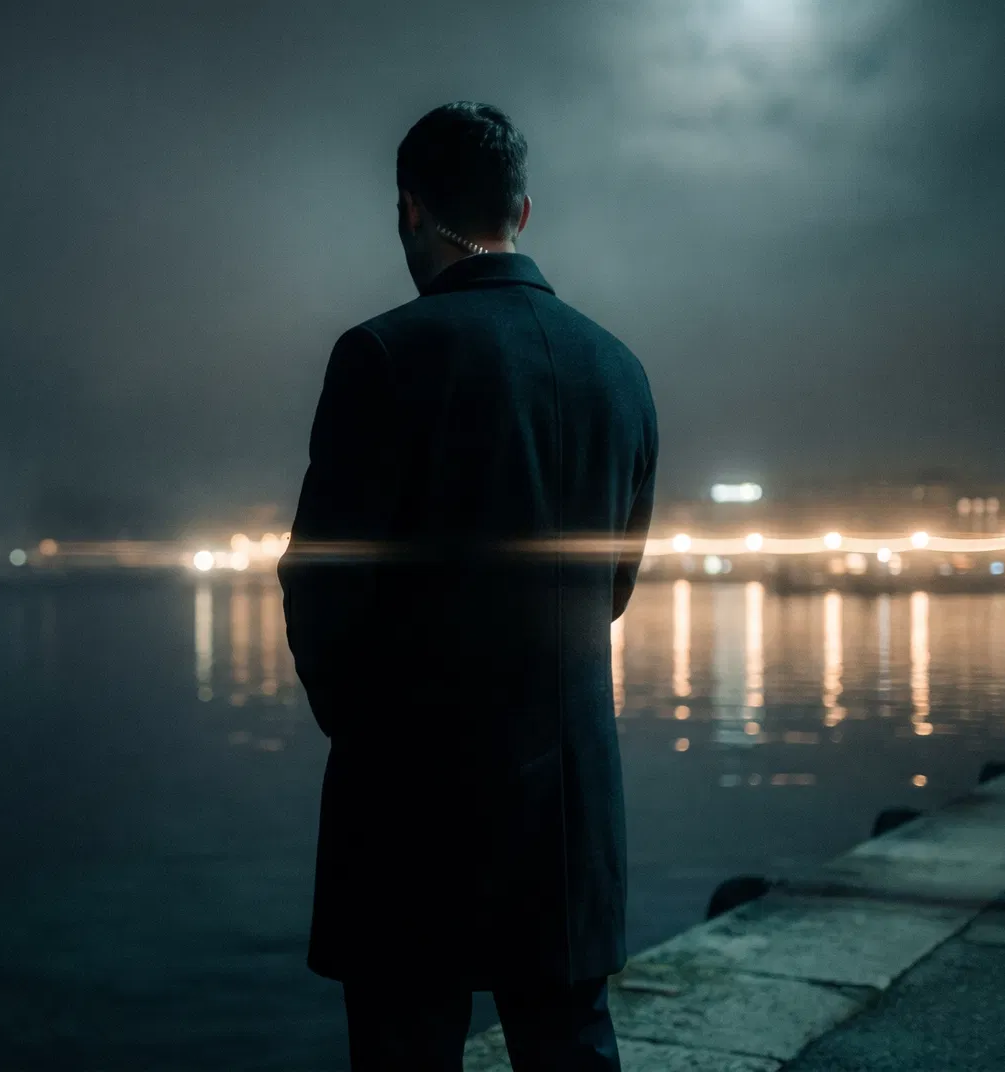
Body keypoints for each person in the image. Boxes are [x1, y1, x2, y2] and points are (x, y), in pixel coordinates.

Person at [277, 102, 659, 1071]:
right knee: (571, 1048)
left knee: (406, 1048)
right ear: (522, 211)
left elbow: (321, 586)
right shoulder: (620, 371)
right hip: (569, 803)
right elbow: (611, 585)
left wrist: (371, 729)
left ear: (409, 211)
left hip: (411, 806)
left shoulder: (382, 357)